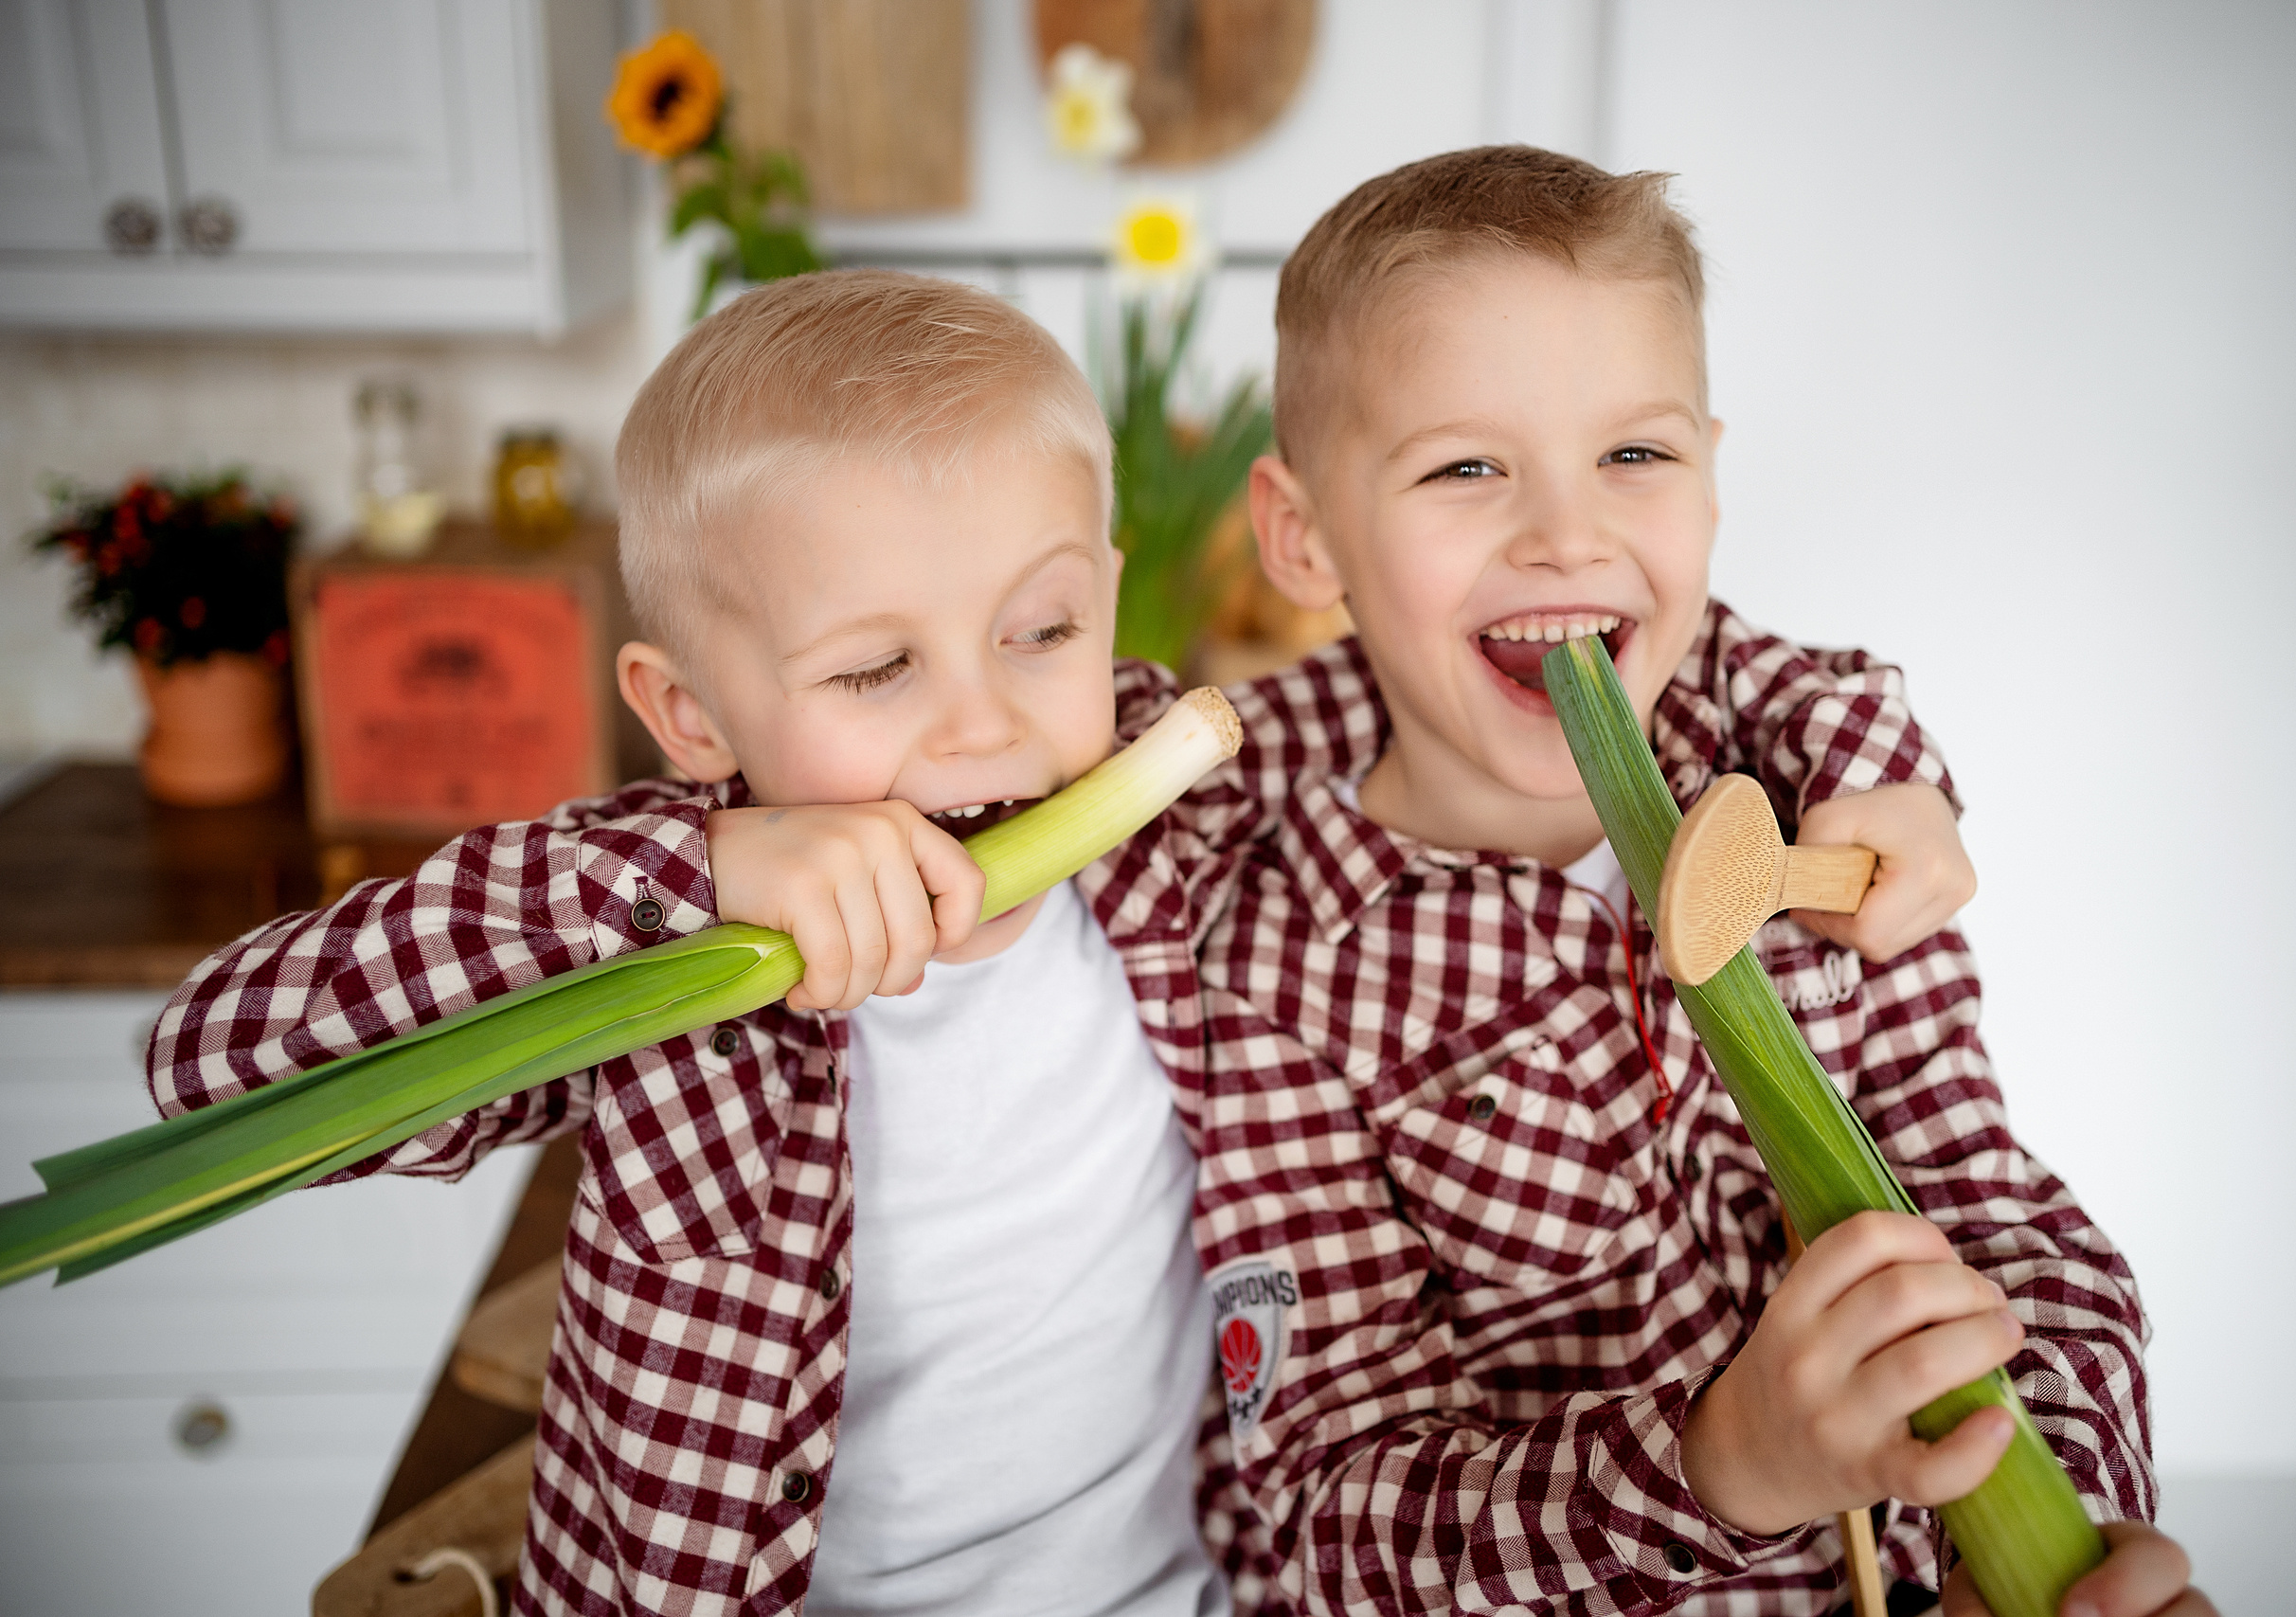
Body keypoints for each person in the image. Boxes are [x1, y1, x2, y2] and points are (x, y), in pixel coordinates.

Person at [145, 266, 1977, 1617]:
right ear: (689, 715)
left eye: (1035, 634)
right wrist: (685, 880)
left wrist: (1873, 762)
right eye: (874, 670)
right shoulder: (658, 952)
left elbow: (1568, 649)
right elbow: (218, 1070)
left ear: (1108, 600)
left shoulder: (1183, 809)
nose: (982, 731)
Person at [1176, 148, 2206, 1616]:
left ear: (1713, 474)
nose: (1567, 535)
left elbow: (1999, 1227)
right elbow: (1334, 1514)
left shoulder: (1827, 825)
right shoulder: (1275, 962)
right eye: (1465, 466)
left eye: (1636, 456)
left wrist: (2056, 1529)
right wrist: (1716, 1469)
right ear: (1302, 535)